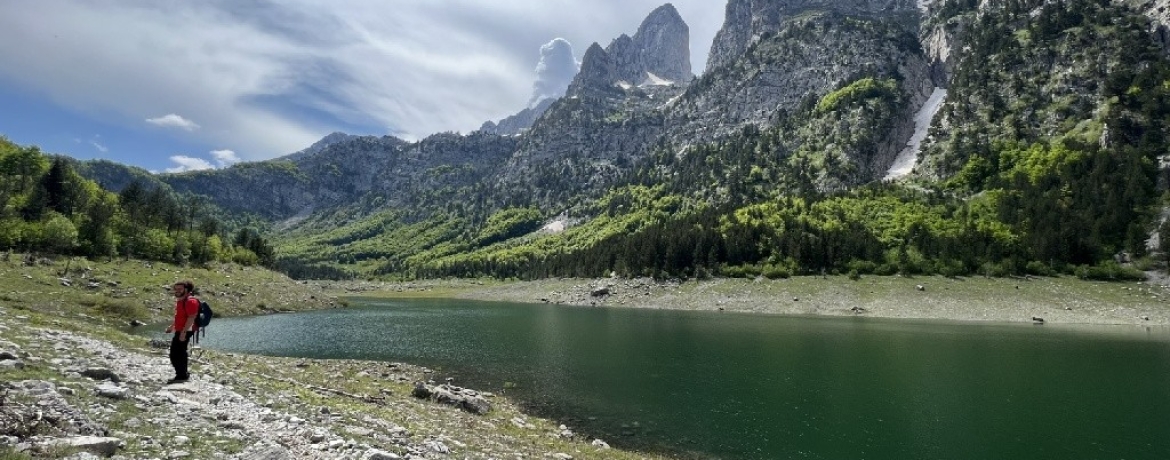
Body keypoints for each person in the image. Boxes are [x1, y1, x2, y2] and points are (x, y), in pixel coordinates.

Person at [165, 280, 200, 384]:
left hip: (186, 330)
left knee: (175, 353)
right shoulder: (181, 300)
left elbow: (191, 318)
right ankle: (183, 373)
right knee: (180, 352)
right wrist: (172, 327)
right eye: (176, 289)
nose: (177, 291)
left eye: (180, 289)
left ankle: (181, 376)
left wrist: (183, 333)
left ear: (187, 289)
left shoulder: (190, 301)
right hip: (181, 329)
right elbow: (179, 316)